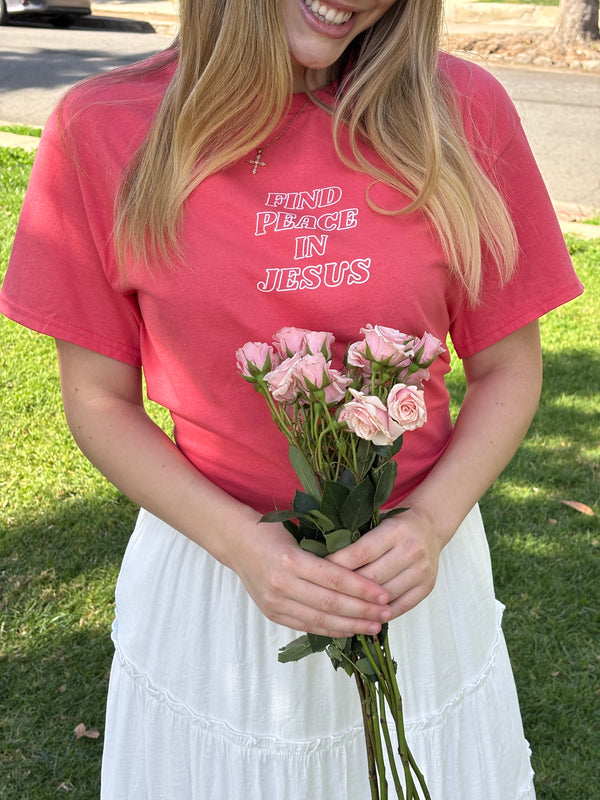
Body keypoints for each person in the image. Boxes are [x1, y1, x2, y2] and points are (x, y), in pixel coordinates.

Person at [0, 0, 584, 797]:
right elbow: (100, 403)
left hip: (415, 576)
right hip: (216, 578)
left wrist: (432, 523)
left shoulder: (461, 110)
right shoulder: (103, 128)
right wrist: (245, 547)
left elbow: (508, 368)